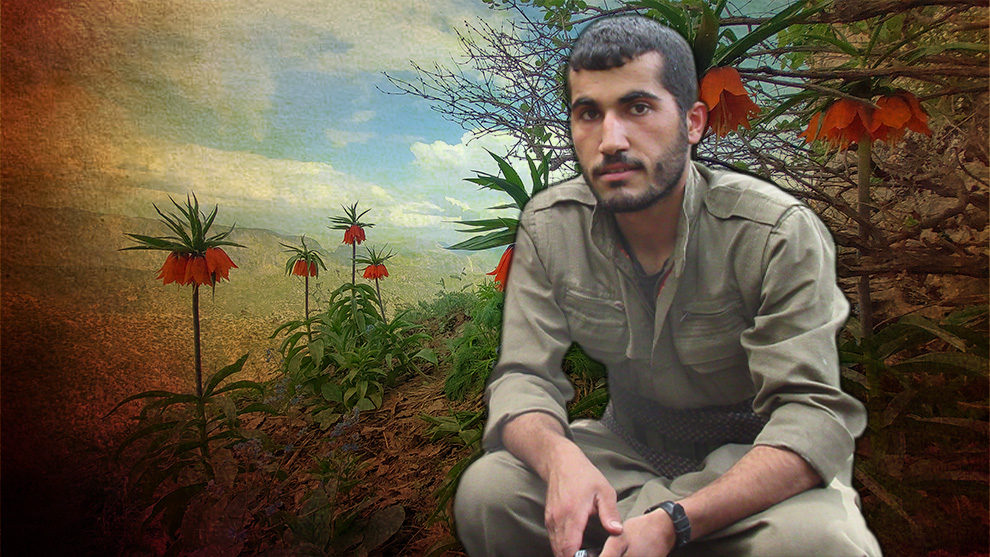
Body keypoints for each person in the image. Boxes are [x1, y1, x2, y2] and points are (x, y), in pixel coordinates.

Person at [453, 15, 882, 557]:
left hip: (750, 464)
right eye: (589, 113)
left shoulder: (775, 231)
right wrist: (560, 461)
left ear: (693, 121)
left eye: (638, 108)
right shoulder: (549, 225)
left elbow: (813, 415)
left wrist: (675, 521)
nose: (610, 140)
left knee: (821, 542)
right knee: (488, 492)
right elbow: (523, 378)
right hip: (624, 451)